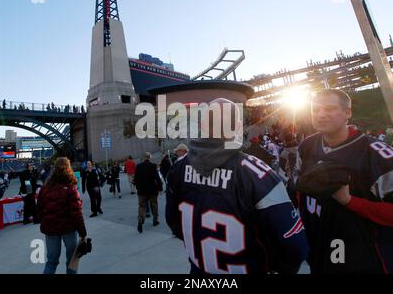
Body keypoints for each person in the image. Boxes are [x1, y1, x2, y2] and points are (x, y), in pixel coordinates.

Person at [166, 98, 309, 274]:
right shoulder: (256, 173)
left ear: (202, 125)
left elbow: (173, 222)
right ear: (239, 127)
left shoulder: (178, 167)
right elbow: (294, 244)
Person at [297, 89, 393, 274]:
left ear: (348, 112)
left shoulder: (376, 154)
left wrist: (350, 201)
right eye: (315, 110)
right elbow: (300, 194)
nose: (321, 115)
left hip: (361, 254)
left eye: (330, 108)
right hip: (318, 245)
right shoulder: (306, 146)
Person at [37, 157, 87, 274]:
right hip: (68, 229)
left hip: (51, 229)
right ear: (68, 169)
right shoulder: (71, 188)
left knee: (51, 262)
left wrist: (46, 221)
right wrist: (83, 233)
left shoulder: (44, 189)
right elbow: (76, 213)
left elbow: (39, 209)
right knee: (72, 261)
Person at [134, 152, 163, 233]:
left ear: (143, 158)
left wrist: (137, 187)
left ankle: (140, 221)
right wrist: (160, 188)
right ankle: (155, 220)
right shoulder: (153, 166)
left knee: (141, 206)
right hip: (152, 190)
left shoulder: (138, 166)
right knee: (154, 205)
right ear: (149, 157)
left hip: (141, 191)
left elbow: (135, 179)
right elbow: (157, 178)